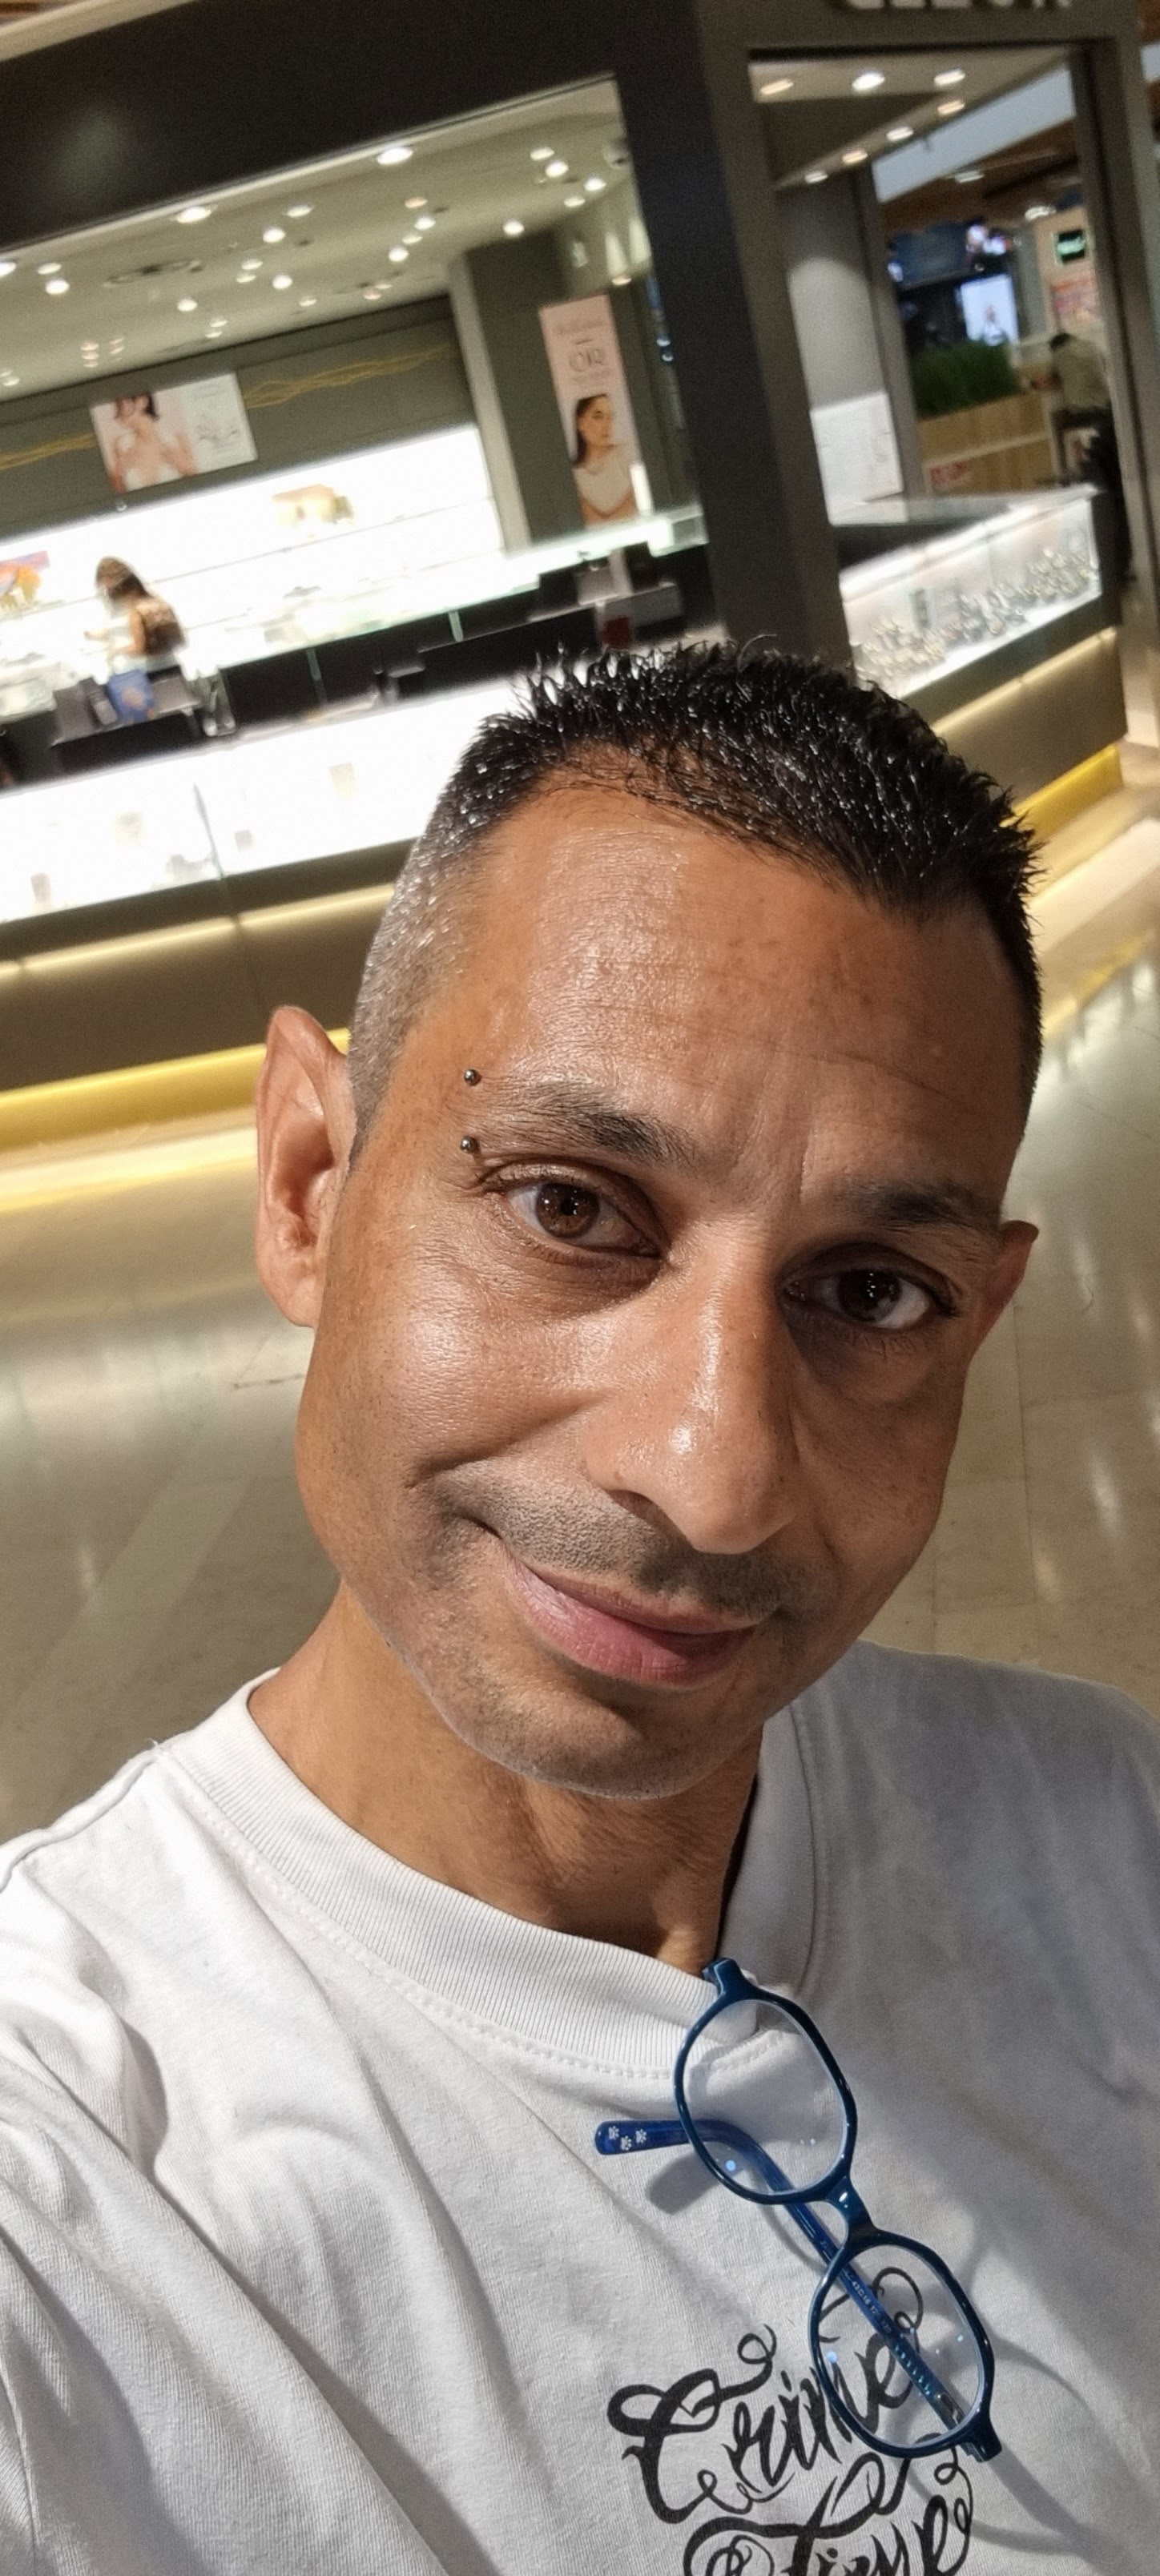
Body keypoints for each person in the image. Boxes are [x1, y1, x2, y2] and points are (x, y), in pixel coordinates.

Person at [0, 646, 1156, 2573]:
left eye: (867, 1291)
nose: (714, 1476)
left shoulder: (1093, 1830)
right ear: (307, 1180)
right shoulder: (75, 2169)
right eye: (567, 1207)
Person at [93, 555, 186, 666]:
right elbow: (119, 631)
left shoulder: (134, 610)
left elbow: (139, 647)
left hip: (146, 667)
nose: (106, 589)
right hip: (168, 662)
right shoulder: (152, 601)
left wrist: (115, 652)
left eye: (107, 585)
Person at [101, 389, 195, 490]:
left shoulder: (176, 440)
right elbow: (116, 493)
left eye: (120, 405)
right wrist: (117, 473)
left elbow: (198, 485)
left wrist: (185, 468)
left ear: (142, 401)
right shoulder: (121, 445)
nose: (117, 414)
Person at [571, 388, 637, 525]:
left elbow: (638, 499)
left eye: (610, 417)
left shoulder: (626, 453)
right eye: (598, 417)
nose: (607, 425)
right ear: (581, 423)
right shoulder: (575, 475)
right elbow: (593, 522)